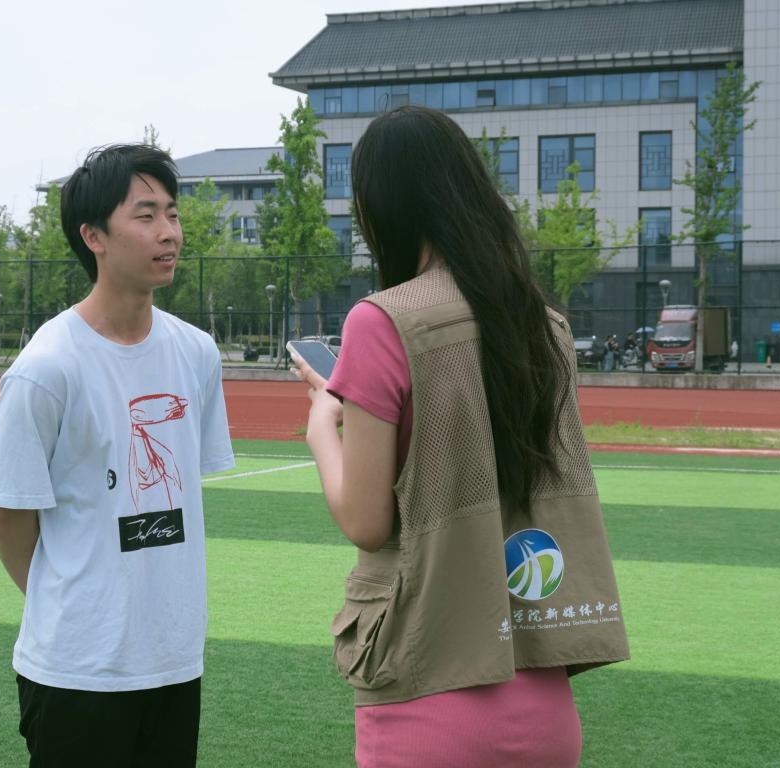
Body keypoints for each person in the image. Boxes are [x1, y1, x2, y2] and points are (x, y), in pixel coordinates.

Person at [292, 106, 629, 768]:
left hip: (428, 699)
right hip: (547, 706)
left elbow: (366, 521)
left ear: (379, 207)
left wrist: (320, 426)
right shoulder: (543, 324)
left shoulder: (381, 321)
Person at [0, 144, 235, 767]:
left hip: (173, 660)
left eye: (172, 214)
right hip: (77, 670)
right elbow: (9, 516)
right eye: (145, 215)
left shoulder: (197, 353)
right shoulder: (46, 369)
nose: (169, 232)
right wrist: (74, 603)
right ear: (93, 236)